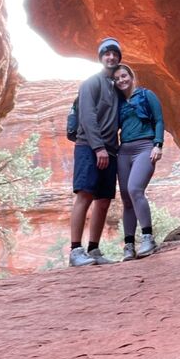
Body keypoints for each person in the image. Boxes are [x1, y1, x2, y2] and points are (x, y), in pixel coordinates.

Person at [69, 37, 122, 267]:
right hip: (88, 147)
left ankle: (94, 250)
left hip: (110, 151)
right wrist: (98, 147)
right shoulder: (91, 83)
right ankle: (75, 251)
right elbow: (88, 117)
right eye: (106, 53)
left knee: (103, 200)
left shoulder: (117, 88)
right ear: (100, 58)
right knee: (85, 195)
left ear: (119, 57)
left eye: (114, 54)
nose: (111, 57)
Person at [113, 64, 165, 261]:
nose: (121, 81)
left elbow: (159, 120)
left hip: (145, 147)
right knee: (126, 199)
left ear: (131, 76)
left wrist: (158, 145)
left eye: (124, 76)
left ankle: (147, 238)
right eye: (117, 79)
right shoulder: (118, 103)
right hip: (124, 151)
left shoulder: (146, 95)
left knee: (135, 189)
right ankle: (128, 246)